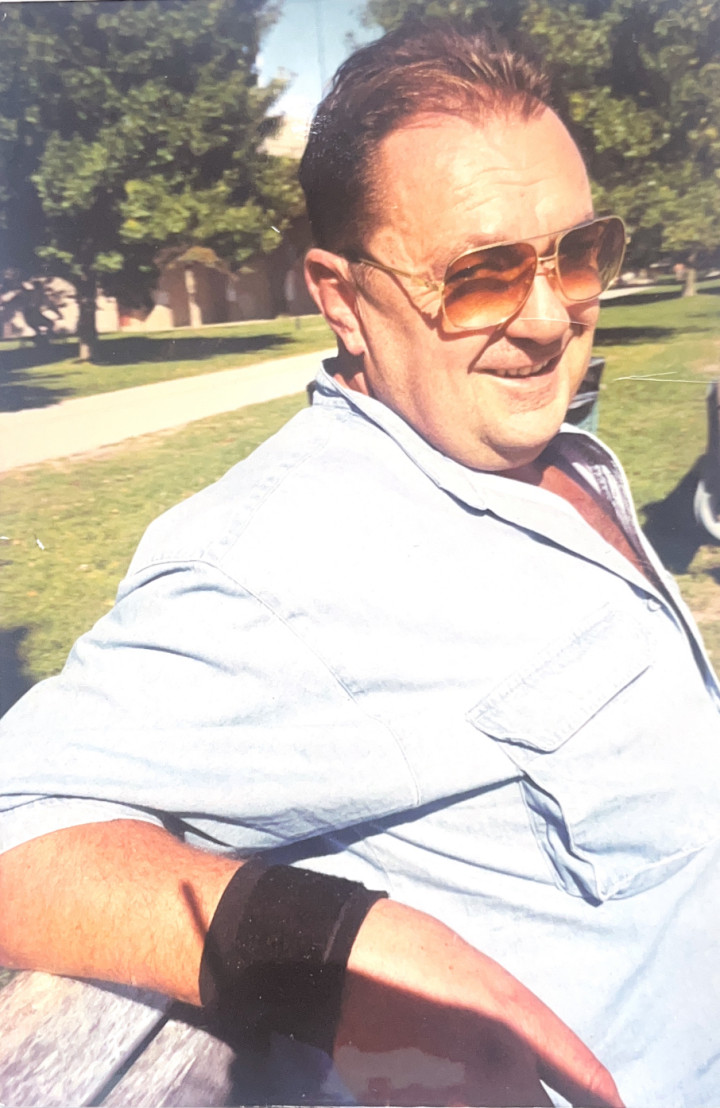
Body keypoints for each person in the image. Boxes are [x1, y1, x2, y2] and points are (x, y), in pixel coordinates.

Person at [1, 21, 719, 1107]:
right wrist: (333, 947)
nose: (550, 318)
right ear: (342, 300)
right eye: (480, 275)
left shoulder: (536, 446)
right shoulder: (274, 564)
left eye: (576, 254)